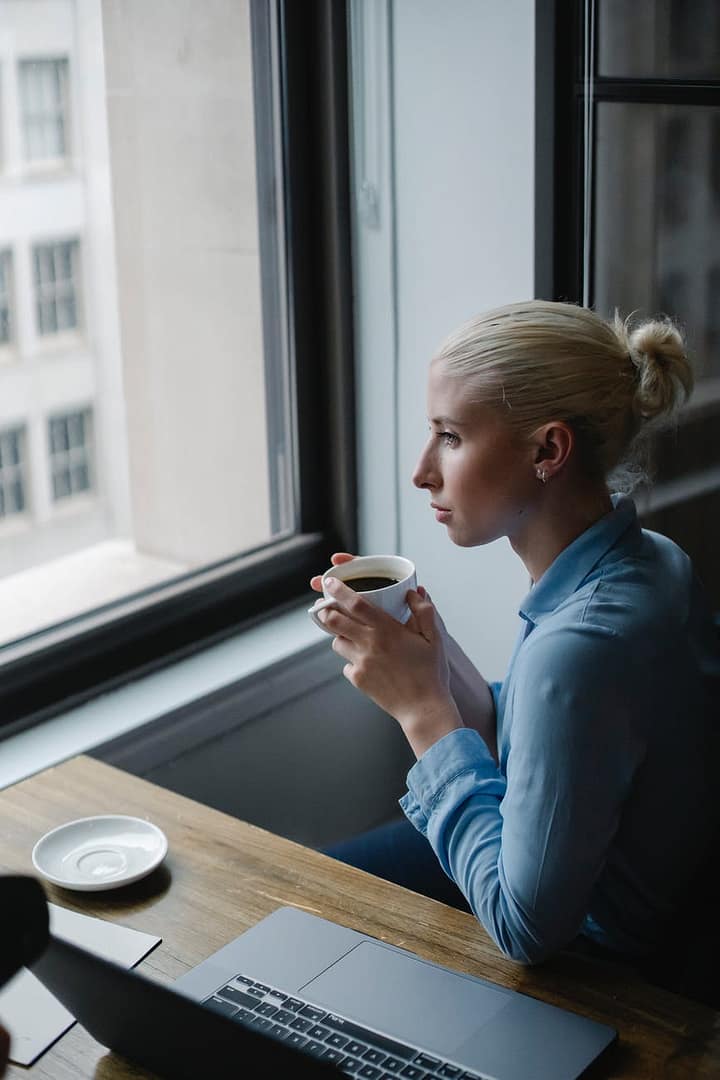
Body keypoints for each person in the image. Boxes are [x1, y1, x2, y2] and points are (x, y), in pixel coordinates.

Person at [310, 299, 720, 978]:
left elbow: (525, 927)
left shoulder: (582, 645)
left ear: (548, 450)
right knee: (309, 895)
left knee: (307, 920)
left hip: (601, 960)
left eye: (450, 436)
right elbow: (538, 737)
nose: (421, 472)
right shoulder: (653, 561)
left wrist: (422, 712)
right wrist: (427, 656)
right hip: (598, 881)